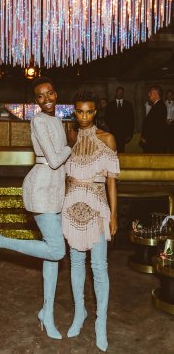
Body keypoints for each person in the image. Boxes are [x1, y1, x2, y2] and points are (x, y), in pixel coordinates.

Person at [0, 76, 71, 339]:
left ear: (56, 93)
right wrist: (71, 146)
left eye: (50, 93)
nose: (47, 98)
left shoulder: (57, 119)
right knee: (57, 251)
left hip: (57, 189)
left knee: (50, 256)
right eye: (40, 96)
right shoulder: (38, 120)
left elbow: (60, 161)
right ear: (36, 101)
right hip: (41, 187)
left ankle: (47, 313)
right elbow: (53, 159)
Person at [62, 91, 120, 352]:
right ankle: (80, 314)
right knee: (75, 262)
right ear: (74, 112)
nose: (83, 116)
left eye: (89, 111)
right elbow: (65, 175)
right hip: (72, 205)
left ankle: (101, 323)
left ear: (96, 112)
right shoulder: (71, 136)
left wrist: (114, 215)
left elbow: (111, 181)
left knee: (99, 266)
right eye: (79, 111)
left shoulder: (107, 138)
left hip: (97, 207)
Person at [105, 86, 134, 152]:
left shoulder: (128, 105)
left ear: (123, 93)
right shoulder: (110, 105)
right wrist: (109, 130)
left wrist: (130, 134)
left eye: (121, 92)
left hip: (123, 134)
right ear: (116, 93)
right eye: (119, 92)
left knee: (121, 151)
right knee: (112, 151)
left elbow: (131, 120)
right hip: (112, 133)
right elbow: (107, 118)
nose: (120, 94)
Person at [140, 85, 168, 153]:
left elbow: (154, 126)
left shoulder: (160, 106)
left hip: (154, 143)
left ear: (155, 94)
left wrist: (145, 137)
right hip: (152, 141)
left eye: (150, 92)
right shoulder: (157, 105)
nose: (148, 94)